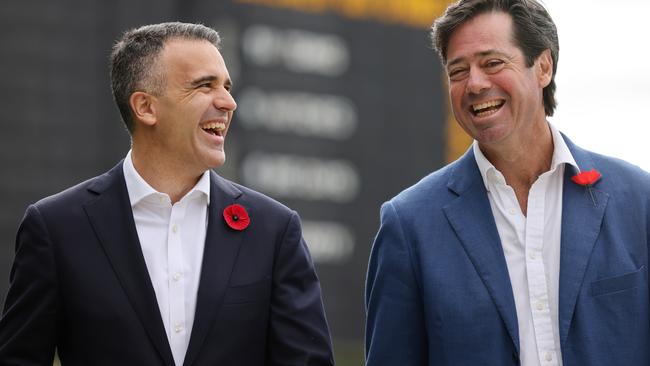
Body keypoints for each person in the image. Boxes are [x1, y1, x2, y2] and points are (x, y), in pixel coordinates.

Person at [0, 22, 334, 366]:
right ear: (145, 107)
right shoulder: (57, 228)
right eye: (204, 85)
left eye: (227, 87)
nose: (228, 102)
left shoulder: (273, 230)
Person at [365, 0, 650, 365]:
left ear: (543, 67)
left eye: (492, 63)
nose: (475, 84)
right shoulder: (409, 225)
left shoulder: (637, 202)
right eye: (458, 71)